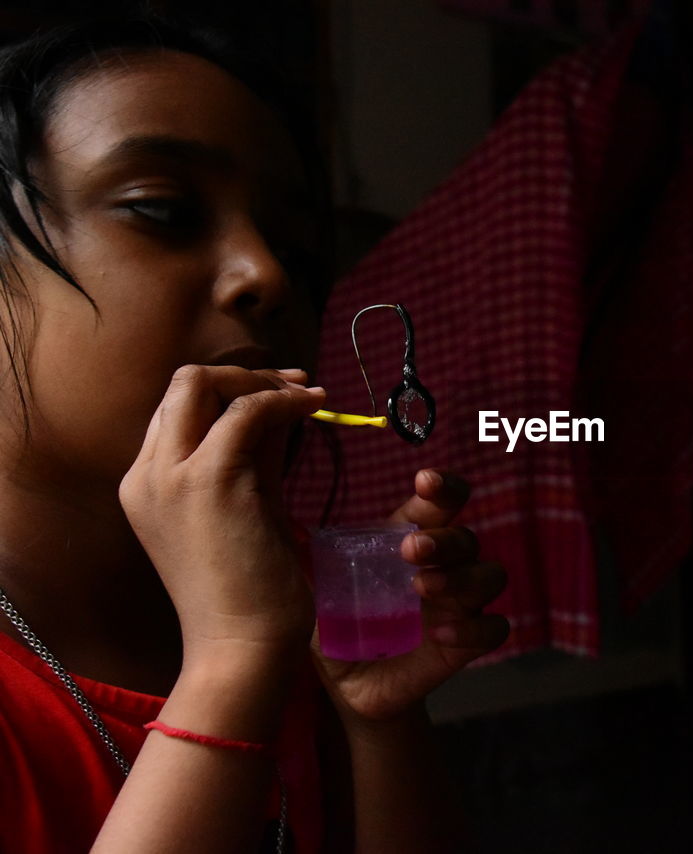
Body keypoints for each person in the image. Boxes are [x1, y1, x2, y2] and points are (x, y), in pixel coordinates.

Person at [0, 13, 509, 853]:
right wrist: (233, 659)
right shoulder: (257, 629)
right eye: (161, 209)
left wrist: (379, 724)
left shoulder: (308, 614)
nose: (266, 274)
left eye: (299, 249)